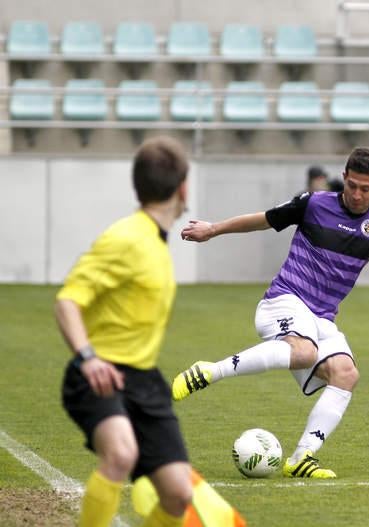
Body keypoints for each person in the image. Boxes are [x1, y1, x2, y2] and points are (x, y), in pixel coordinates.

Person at [172, 147, 369, 479]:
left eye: (365, 188)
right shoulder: (313, 203)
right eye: (351, 185)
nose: (356, 194)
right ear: (343, 177)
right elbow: (264, 219)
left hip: (320, 319)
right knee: (304, 350)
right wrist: (213, 229)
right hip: (283, 301)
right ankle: (210, 371)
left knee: (346, 374)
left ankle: (301, 457)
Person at [56, 136, 193, 526]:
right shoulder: (125, 237)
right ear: (183, 187)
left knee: (179, 493)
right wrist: (88, 358)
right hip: (99, 374)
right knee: (120, 454)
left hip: (145, 381)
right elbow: (67, 301)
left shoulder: (154, 241)